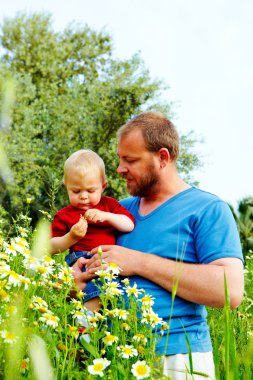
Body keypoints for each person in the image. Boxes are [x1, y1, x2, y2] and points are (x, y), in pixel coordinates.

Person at [72, 112, 244, 379]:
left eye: (130, 160)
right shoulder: (117, 212)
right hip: (114, 357)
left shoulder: (208, 209)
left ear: (162, 158)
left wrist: (139, 262)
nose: (119, 169)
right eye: (119, 159)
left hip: (178, 359)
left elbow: (230, 291)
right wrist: (76, 282)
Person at [50, 149, 135, 311]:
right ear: (66, 186)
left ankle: (85, 322)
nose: (83, 196)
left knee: (106, 287)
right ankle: (85, 324)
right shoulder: (64, 215)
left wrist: (107, 216)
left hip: (105, 258)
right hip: (79, 259)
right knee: (97, 286)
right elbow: (51, 247)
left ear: (103, 186)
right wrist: (71, 237)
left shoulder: (109, 205)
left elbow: (129, 224)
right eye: (76, 191)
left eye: (90, 190)